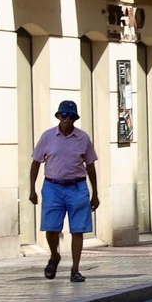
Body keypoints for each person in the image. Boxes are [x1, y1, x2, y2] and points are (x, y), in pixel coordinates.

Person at [28, 100, 100, 282]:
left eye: (70, 116)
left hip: (77, 187)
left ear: (75, 118)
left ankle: (75, 269)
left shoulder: (83, 138)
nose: (66, 119)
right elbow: (36, 163)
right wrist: (32, 189)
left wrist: (95, 194)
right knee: (50, 227)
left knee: (78, 230)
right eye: (63, 115)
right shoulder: (48, 137)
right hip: (53, 186)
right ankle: (54, 255)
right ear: (58, 117)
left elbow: (90, 166)